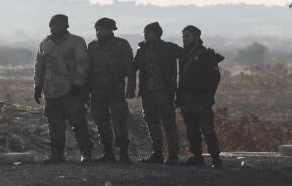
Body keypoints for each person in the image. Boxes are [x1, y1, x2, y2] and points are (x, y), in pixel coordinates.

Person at [33, 14, 92, 164]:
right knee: (54, 126)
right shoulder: (45, 43)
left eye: (58, 24)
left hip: (71, 91)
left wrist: (78, 85)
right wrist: (37, 86)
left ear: (66, 26)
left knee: (78, 124)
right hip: (51, 92)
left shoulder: (76, 42)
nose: (55, 27)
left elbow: (83, 64)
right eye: (52, 25)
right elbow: (39, 66)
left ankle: (86, 153)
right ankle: (57, 155)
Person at [86, 17, 136, 164]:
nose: (98, 32)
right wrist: (86, 91)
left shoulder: (122, 45)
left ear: (110, 30)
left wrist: (131, 87)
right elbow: (88, 70)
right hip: (97, 91)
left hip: (116, 90)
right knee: (101, 122)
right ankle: (108, 153)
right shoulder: (92, 46)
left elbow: (130, 68)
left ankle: (124, 154)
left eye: (101, 29)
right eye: (97, 29)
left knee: (119, 122)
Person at [132, 21, 181, 164]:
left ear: (156, 34)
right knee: (152, 124)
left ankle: (173, 155)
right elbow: (133, 67)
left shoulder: (169, 48)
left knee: (169, 124)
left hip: (164, 92)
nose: (145, 35)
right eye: (145, 33)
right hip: (147, 93)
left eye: (148, 32)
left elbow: (187, 55)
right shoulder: (142, 51)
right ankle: (157, 154)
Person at [176, 25, 225, 168]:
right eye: (184, 37)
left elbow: (214, 77)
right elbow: (182, 78)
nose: (185, 39)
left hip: (201, 99)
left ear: (196, 37)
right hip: (187, 99)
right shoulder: (184, 55)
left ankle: (216, 159)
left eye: (188, 36)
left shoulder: (206, 55)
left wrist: (209, 96)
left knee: (207, 130)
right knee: (191, 130)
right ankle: (197, 157)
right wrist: (179, 96)